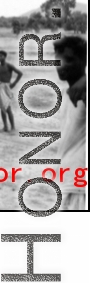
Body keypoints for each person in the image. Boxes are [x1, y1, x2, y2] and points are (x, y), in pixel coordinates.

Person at [53, 36, 87, 211]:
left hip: (79, 184)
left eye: (69, 60)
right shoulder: (68, 93)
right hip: (67, 177)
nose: (61, 65)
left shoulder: (84, 92)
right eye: (58, 59)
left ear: (83, 60)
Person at [0, 50, 23, 132]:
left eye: (1, 56)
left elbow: (20, 73)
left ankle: (13, 127)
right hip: (0, 87)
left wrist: (14, 83)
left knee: (8, 108)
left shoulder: (9, 66)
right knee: (2, 108)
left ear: (5, 57)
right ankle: (5, 126)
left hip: (7, 87)